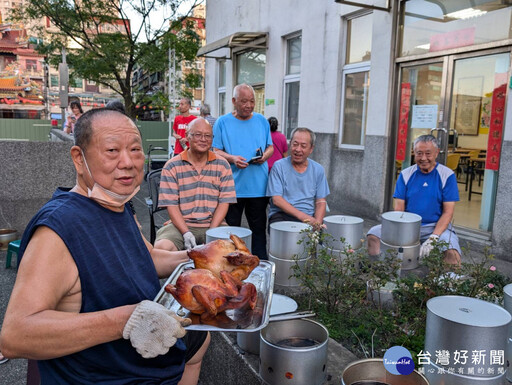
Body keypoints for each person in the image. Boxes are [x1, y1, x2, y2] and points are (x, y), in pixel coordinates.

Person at [0, 108, 209, 384]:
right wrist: (126, 320)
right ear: (78, 158)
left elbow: (145, 257)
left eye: (135, 149)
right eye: (112, 150)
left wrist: (198, 257)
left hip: (145, 354)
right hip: (109, 372)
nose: (128, 162)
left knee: (200, 337)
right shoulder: (59, 227)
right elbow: (16, 335)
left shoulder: (117, 204)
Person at [367, 134, 462, 266]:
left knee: (452, 252)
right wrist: (400, 231)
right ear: (414, 153)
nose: (423, 158)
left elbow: (448, 212)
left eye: (428, 153)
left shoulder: (447, 175)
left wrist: (434, 237)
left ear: (436, 153)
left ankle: (447, 284)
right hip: (408, 225)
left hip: (435, 226)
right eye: (419, 153)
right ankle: (380, 272)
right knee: (373, 235)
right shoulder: (406, 174)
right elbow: (399, 209)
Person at [154, 118, 236, 251]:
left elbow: (224, 202)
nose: (203, 139)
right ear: (187, 136)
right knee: (161, 249)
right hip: (180, 224)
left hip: (214, 223)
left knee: (231, 252)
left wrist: (212, 232)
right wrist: (185, 232)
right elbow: (171, 205)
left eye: (208, 136)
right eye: (197, 134)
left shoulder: (222, 165)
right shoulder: (172, 166)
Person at [212, 84, 274, 259]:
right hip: (232, 188)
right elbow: (216, 151)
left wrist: (264, 157)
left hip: (258, 187)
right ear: (233, 101)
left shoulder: (262, 120)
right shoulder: (222, 122)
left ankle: (261, 264)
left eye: (252, 101)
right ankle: (231, 266)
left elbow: (270, 147)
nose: (249, 105)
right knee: (231, 231)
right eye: (244, 101)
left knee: (259, 231)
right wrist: (232, 159)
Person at [267, 127, 329, 228]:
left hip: (309, 215)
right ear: (290, 144)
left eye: (303, 146)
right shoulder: (279, 166)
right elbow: (277, 200)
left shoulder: (318, 169)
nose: (298, 149)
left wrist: (317, 223)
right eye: (295, 144)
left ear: (311, 149)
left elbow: (321, 201)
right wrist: (306, 219)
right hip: (282, 215)